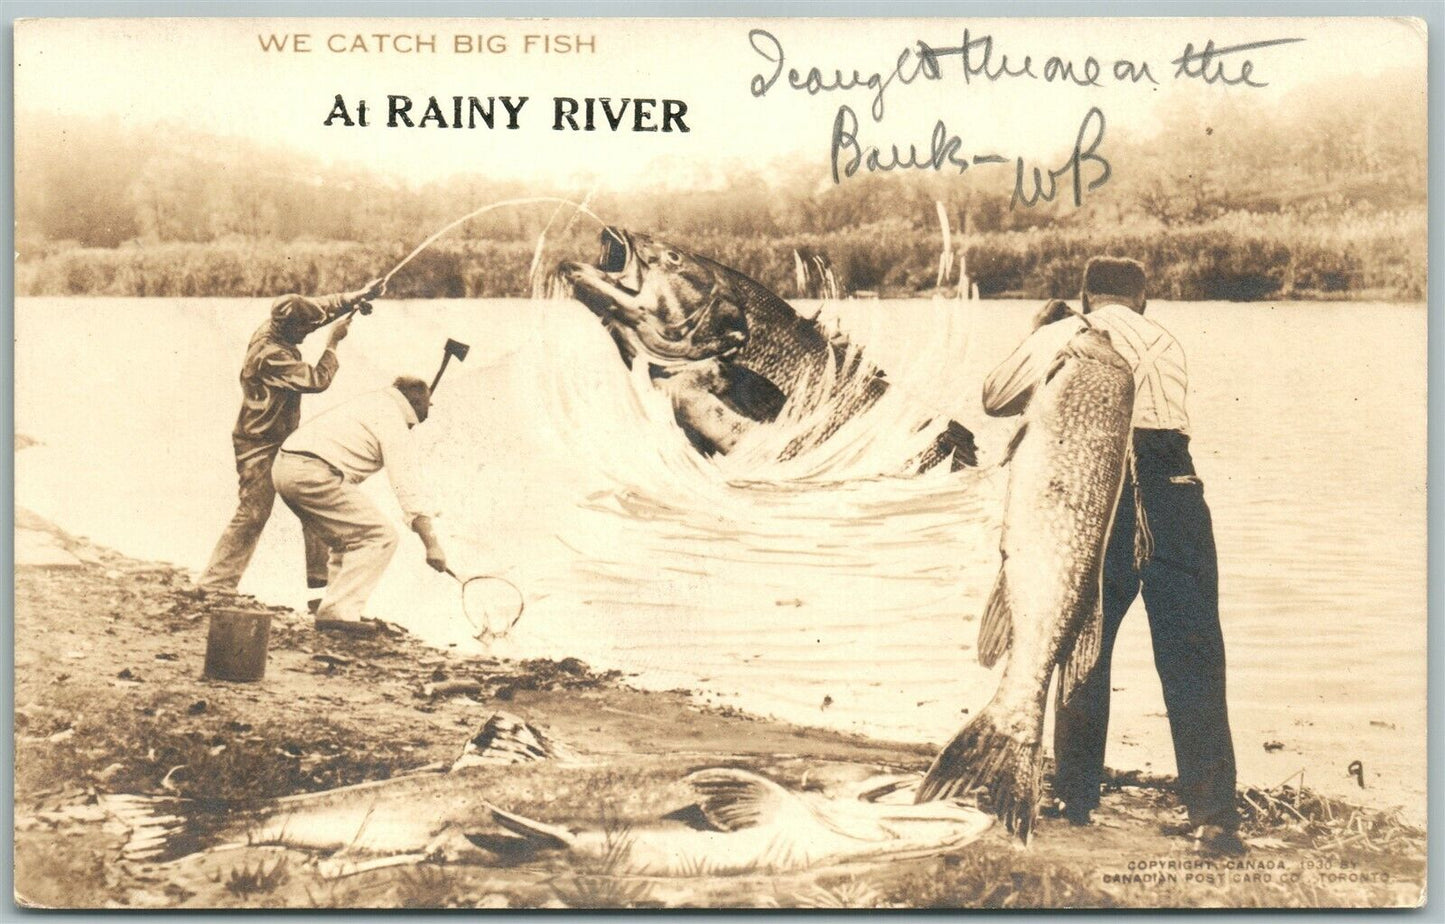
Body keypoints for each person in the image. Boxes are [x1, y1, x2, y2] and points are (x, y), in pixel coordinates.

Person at [981, 257, 1243, 855]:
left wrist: (1035, 333)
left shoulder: (1066, 332)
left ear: (1086, 297)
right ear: (1143, 300)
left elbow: (995, 397)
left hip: (1101, 489)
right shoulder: (1166, 341)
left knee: (1081, 639)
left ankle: (1073, 797)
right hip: (1178, 491)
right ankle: (1213, 817)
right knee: (1193, 653)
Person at [197, 280, 386, 603]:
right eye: (302, 330)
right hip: (258, 444)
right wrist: (332, 345)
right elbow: (316, 380)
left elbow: (319, 310)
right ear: (288, 328)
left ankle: (321, 584)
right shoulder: (269, 355)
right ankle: (214, 583)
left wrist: (356, 297)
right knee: (253, 513)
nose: (307, 334)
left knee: (314, 496)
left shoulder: (276, 326)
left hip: (282, 438)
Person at [271, 376, 448, 638]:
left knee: (348, 539)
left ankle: (335, 607)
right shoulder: (393, 421)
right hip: (313, 473)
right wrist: (432, 544)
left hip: (285, 468)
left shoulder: (372, 402)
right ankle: (338, 613)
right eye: (428, 403)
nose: (430, 408)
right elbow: (408, 488)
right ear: (417, 400)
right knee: (380, 536)